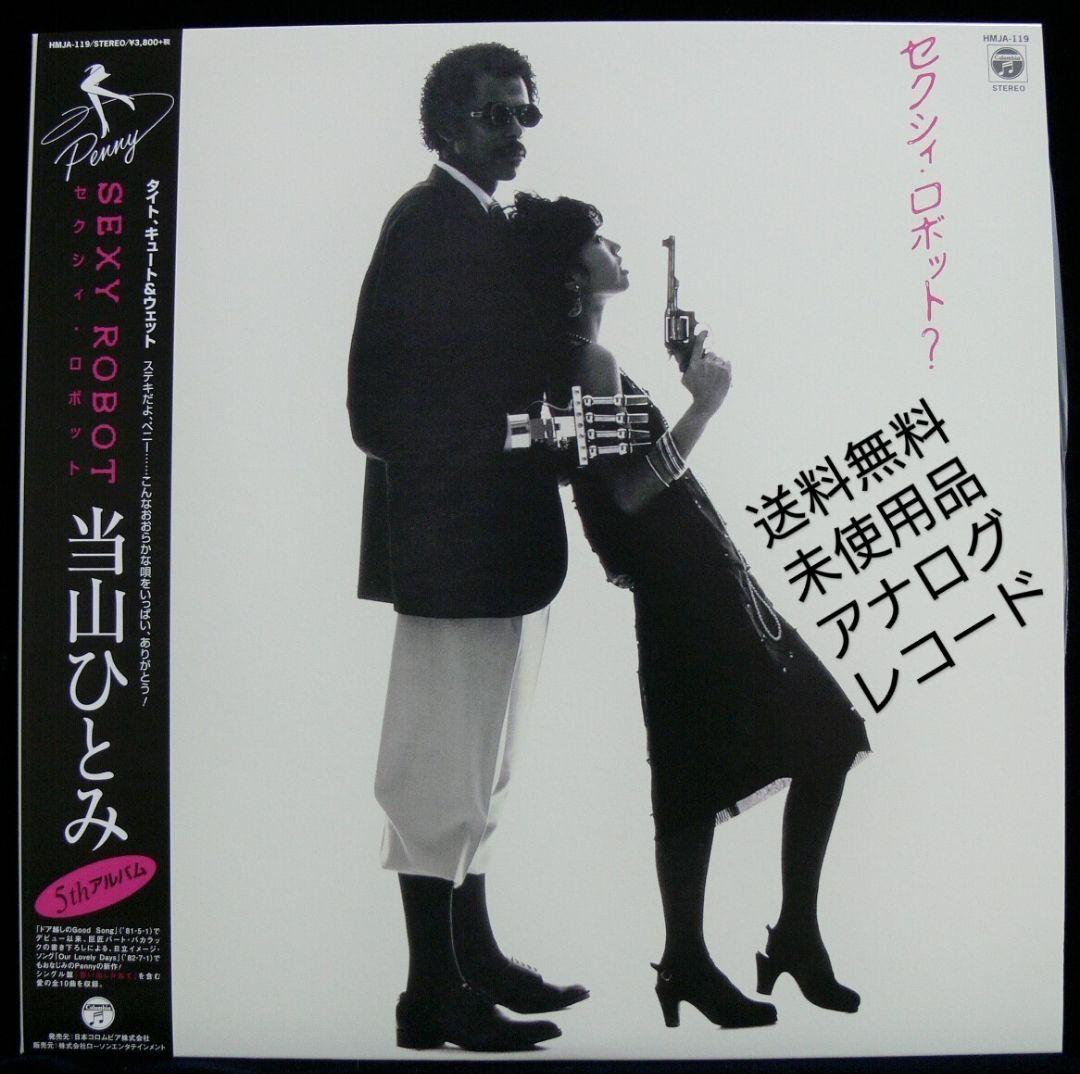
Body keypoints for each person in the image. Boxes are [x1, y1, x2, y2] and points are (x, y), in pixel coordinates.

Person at [508, 193, 871, 1029]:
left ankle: (731, 953)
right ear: (571, 272)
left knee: (705, 768)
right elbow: (627, 496)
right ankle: (738, 951)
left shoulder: (580, 359)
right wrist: (704, 407)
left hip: (691, 584)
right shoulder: (588, 361)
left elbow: (617, 484)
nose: (617, 247)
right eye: (600, 240)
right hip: (689, 589)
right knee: (806, 740)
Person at [347, 47, 587, 1052]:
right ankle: (428, 993)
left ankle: (472, 958)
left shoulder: (487, 223)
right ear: (444, 126)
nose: (516, 133)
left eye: (525, 115)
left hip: (501, 545)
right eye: (495, 116)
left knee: (485, 767)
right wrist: (509, 434)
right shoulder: (424, 223)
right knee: (434, 773)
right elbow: (374, 409)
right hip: (450, 547)